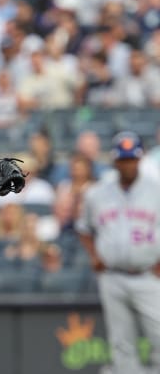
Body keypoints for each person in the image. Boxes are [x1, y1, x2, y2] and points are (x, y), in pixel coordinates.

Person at [76, 131, 160, 374]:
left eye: (132, 159)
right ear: (115, 161)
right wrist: (94, 256)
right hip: (112, 277)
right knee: (122, 344)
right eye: (123, 159)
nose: (127, 164)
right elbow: (83, 228)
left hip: (148, 276)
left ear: (140, 159)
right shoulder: (98, 192)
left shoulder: (155, 190)